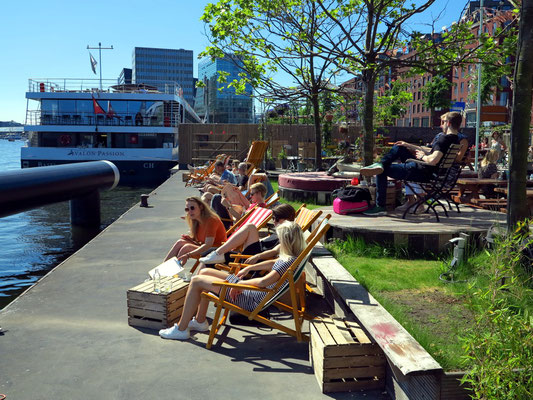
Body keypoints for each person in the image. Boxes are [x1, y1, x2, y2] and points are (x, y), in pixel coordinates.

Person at [159, 221, 306, 340]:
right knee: (205, 271)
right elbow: (272, 264)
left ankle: (182, 329)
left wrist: (240, 284)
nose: (279, 241)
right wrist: (248, 269)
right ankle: (200, 321)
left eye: (280, 238)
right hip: (250, 292)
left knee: (197, 280)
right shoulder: (291, 258)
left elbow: (263, 282)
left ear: (287, 241)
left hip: (250, 299)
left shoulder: (287, 261)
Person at [360, 111, 462, 216]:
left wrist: (423, 157)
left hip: (422, 171)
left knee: (382, 171)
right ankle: (381, 163)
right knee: (400, 147)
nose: (441, 125)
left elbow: (433, 160)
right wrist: (408, 145)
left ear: (448, 123)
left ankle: (380, 205)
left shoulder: (444, 138)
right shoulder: (455, 139)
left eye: (443, 122)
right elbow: (432, 151)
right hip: (428, 171)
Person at [198, 203, 297, 266]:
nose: (274, 221)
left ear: (287, 218)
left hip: (254, 259)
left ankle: (217, 253)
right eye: (273, 218)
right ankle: (216, 254)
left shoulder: (288, 233)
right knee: (209, 253)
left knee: (251, 227)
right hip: (252, 254)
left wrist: (257, 257)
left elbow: (275, 251)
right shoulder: (280, 231)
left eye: (276, 218)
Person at [164, 197, 227, 266]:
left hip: (217, 251)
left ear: (201, 207)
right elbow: (200, 240)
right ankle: (162, 269)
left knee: (186, 247)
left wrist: (188, 255)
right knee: (180, 242)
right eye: (187, 209)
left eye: (192, 208)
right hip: (206, 247)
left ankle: (171, 271)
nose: (190, 211)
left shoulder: (211, 220)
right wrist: (190, 238)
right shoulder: (196, 221)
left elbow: (208, 244)